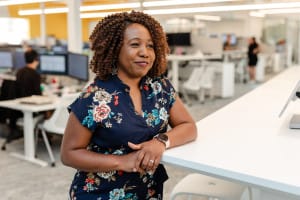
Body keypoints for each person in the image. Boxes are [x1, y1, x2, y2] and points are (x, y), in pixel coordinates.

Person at [60, 11, 197, 200]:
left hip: (147, 190)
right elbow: (69, 154)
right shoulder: (94, 97)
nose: (145, 52)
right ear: (115, 49)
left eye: (150, 45)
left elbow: (189, 127)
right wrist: (122, 161)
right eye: (135, 44)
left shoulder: (160, 87)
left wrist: (161, 142)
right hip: (101, 193)